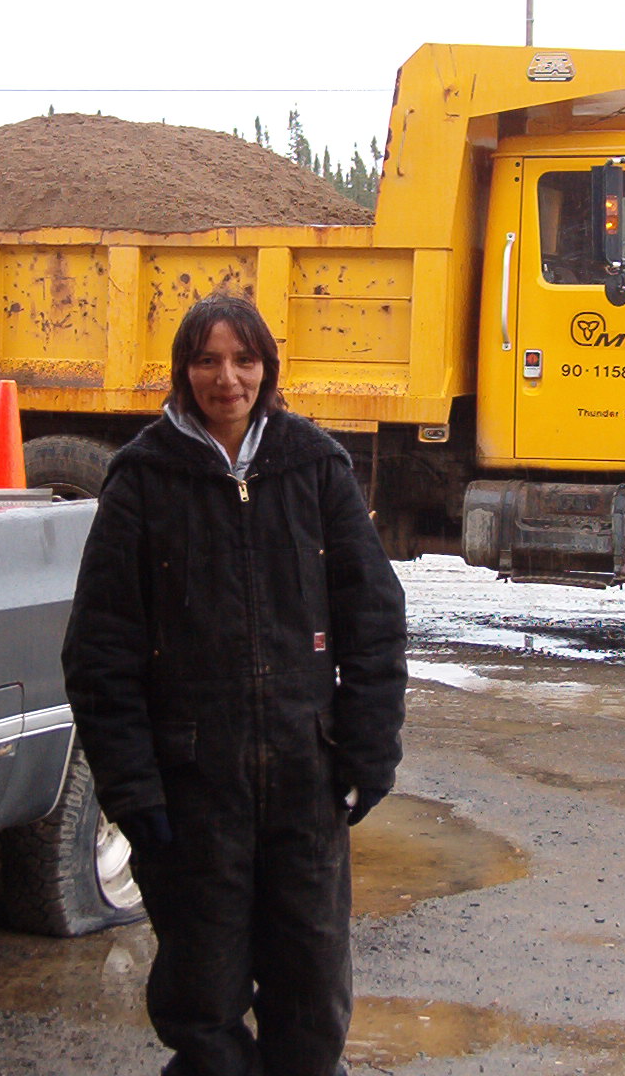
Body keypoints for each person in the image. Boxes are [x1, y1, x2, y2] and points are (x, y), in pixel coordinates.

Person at [62, 292, 408, 1076]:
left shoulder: (314, 467)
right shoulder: (143, 479)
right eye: (209, 361)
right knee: (202, 1010)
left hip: (303, 788)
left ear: (268, 368)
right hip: (193, 799)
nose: (228, 379)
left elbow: (376, 620)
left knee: (312, 1010)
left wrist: (367, 754)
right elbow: (99, 654)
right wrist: (135, 791)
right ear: (184, 372)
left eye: (244, 360)